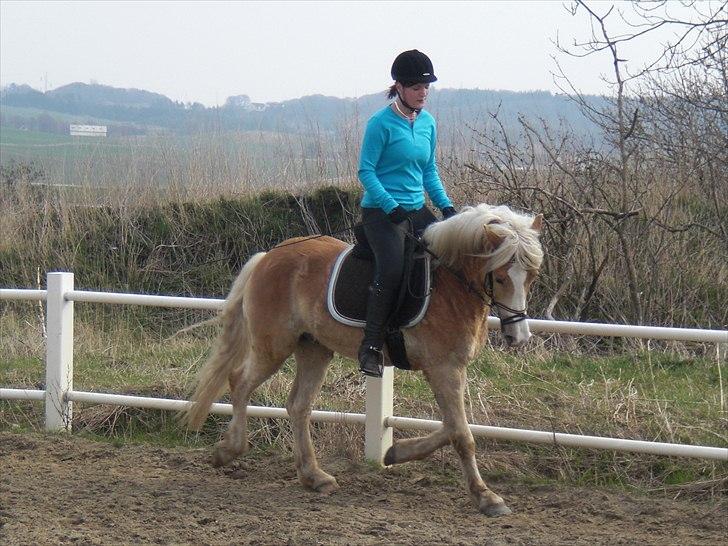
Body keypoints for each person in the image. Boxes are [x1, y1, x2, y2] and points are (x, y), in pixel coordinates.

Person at [357, 49, 457, 378]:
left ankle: (430, 330)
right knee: (391, 269)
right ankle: (370, 346)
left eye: (426, 87)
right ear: (399, 87)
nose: (423, 92)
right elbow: (366, 172)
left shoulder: (428, 123)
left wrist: (446, 207)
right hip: (381, 212)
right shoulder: (380, 124)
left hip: (415, 208)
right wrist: (390, 206)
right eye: (416, 87)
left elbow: (429, 171)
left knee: (448, 256)